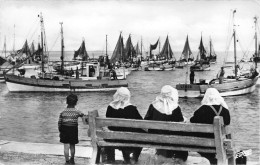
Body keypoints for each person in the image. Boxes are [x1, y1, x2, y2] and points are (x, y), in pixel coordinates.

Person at [144, 85, 188, 162]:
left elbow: (146, 120)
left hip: (155, 137)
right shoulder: (175, 107)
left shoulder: (153, 105)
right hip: (172, 138)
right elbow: (180, 123)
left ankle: (163, 154)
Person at [190, 88, 230, 165]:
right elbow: (227, 123)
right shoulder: (225, 110)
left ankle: (210, 159)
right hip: (220, 143)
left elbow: (192, 120)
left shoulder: (202, 109)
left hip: (203, 143)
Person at [104, 87, 144, 164]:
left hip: (113, 138)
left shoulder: (110, 107)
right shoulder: (132, 108)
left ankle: (126, 159)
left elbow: (109, 124)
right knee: (140, 134)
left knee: (121, 131)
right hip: (129, 138)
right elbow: (141, 122)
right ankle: (134, 159)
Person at [58, 94, 85, 165]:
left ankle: (67, 161)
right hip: (73, 129)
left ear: (66, 102)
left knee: (66, 146)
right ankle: (72, 159)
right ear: (76, 102)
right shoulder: (77, 111)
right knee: (72, 145)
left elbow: (59, 123)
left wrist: (60, 131)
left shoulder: (63, 112)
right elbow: (84, 116)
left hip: (64, 129)